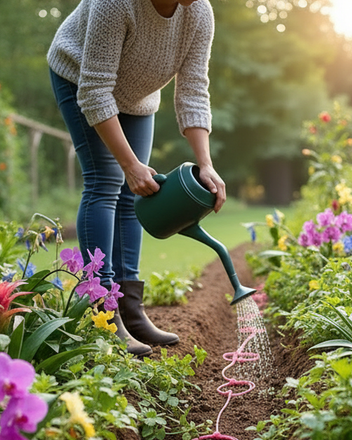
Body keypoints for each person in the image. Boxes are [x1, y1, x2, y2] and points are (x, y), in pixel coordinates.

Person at [48, 0, 225, 357]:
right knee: (104, 182)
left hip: (138, 97)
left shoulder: (199, 13)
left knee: (136, 194)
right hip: (79, 76)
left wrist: (205, 163)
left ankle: (130, 306)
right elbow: (95, 90)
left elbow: (193, 88)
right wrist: (129, 164)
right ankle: (105, 312)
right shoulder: (116, 3)